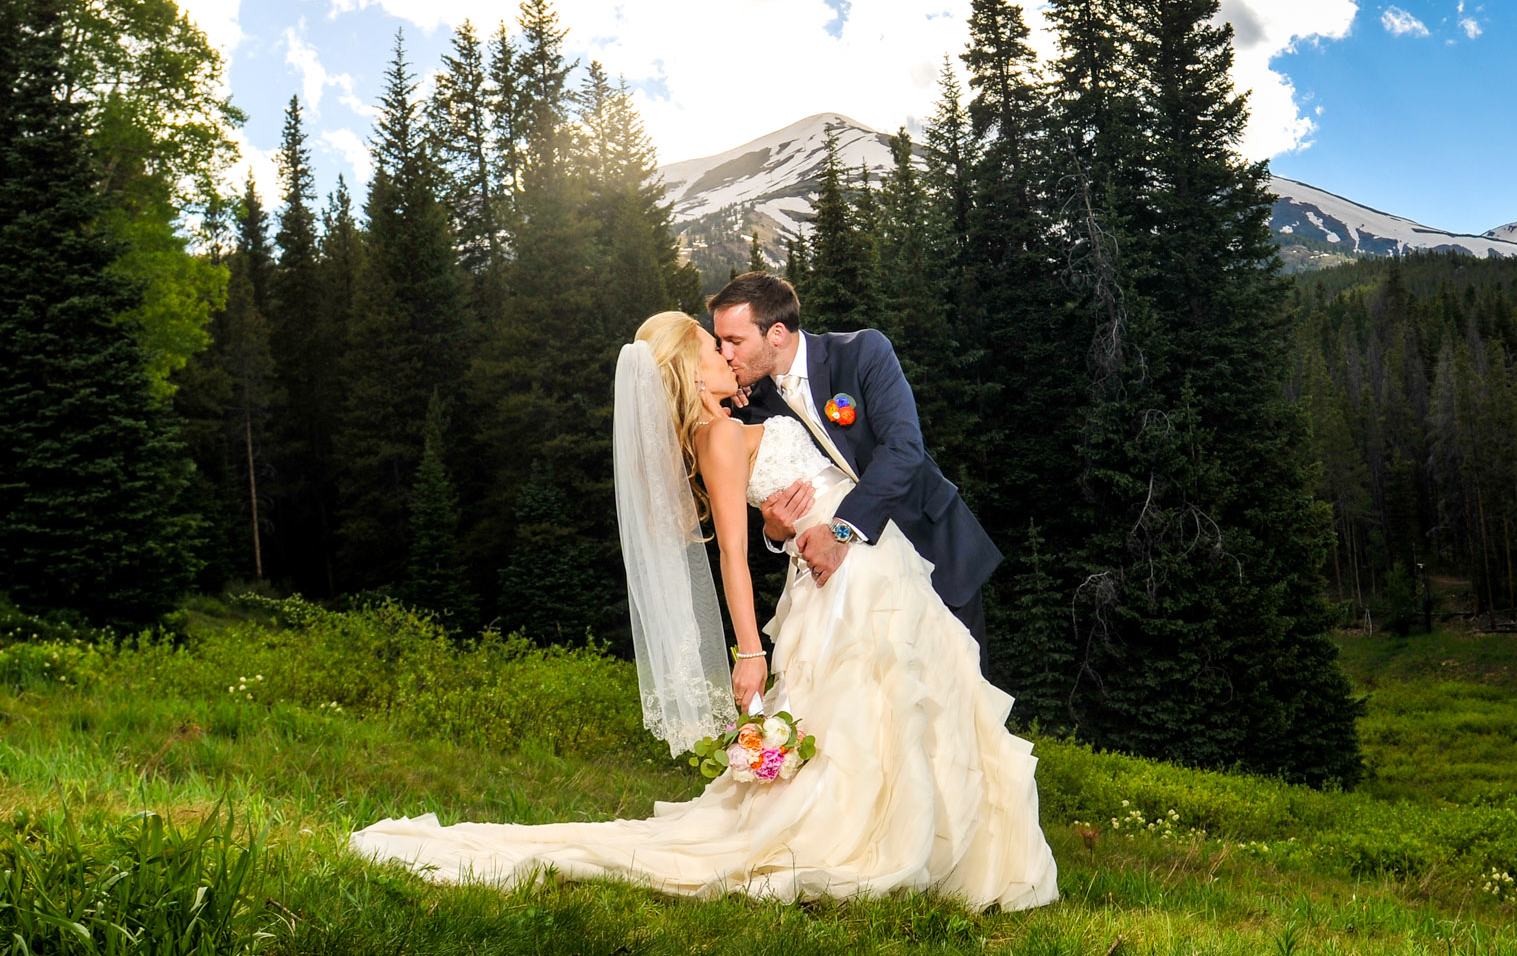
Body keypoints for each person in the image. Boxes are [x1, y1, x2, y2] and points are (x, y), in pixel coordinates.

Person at [348, 309, 1058, 912]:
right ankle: (887, 845)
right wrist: (749, 651)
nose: (726, 357)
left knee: (918, 699)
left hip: (862, 552)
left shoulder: (743, 414)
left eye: (730, 345)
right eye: (711, 349)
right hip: (846, 570)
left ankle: (938, 849)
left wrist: (785, 528)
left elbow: (808, 484)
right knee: (878, 706)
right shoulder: (716, 435)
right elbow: (730, 553)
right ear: (690, 369)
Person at [706, 272, 1001, 673]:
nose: (724, 353)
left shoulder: (862, 351)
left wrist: (841, 529)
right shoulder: (749, 408)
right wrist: (773, 532)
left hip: (931, 545)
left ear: (776, 333)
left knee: (961, 694)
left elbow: (903, 450)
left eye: (734, 341)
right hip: (853, 589)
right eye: (719, 342)